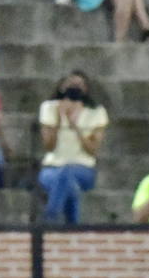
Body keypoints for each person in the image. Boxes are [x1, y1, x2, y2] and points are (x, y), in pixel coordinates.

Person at [37, 71, 108, 224]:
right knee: (70, 186)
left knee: (68, 171)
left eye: (79, 85)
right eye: (71, 84)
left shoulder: (96, 112)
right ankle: (72, 228)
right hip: (52, 168)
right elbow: (49, 146)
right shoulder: (49, 107)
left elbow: (93, 150)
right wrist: (58, 118)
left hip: (83, 168)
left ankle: (50, 219)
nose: (75, 88)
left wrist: (74, 125)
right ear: (62, 87)